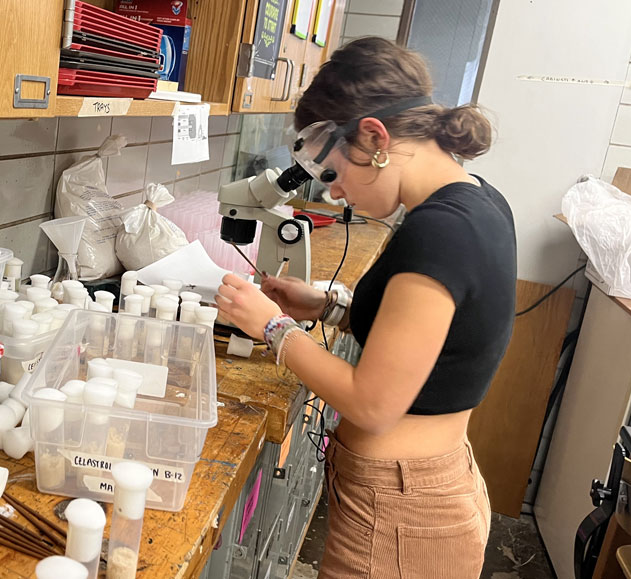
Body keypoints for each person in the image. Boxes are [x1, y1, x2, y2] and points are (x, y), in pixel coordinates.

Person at [216, 37, 516, 578]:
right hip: (417, 491)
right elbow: (432, 341)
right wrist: (328, 307)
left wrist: (273, 326)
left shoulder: (442, 231)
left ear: (375, 137)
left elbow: (374, 404)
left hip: (404, 511)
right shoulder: (475, 200)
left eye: (333, 174)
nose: (334, 195)